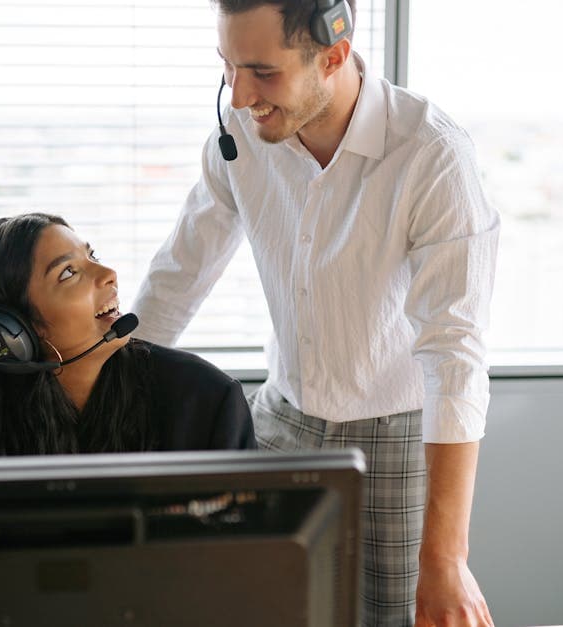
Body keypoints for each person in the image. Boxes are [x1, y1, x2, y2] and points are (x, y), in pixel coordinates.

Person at [131, 1, 498, 624]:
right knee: (266, 611)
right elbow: (179, 273)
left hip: (400, 434)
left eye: (262, 71)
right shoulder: (240, 129)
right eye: (226, 66)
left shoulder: (432, 155)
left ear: (333, 54)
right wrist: (101, 385)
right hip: (284, 417)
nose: (240, 94)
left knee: (401, 617)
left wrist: (445, 559)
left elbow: (455, 357)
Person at [0, 213, 256, 458]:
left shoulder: (205, 400)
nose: (108, 274)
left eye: (92, 256)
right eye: (69, 272)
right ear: (10, 333)